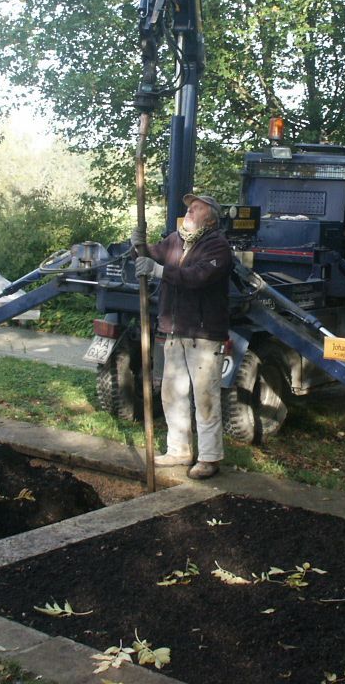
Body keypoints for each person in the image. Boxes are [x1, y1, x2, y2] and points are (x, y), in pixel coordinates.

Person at [132, 192, 232, 480]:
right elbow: (149, 254)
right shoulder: (175, 240)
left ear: (210, 217)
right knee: (172, 393)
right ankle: (178, 450)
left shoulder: (218, 247)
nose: (189, 211)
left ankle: (210, 458)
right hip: (174, 330)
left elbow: (196, 278)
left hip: (203, 334)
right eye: (189, 207)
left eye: (197, 208)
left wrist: (158, 270)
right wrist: (136, 244)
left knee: (205, 398)